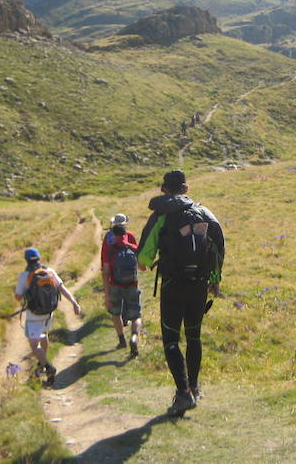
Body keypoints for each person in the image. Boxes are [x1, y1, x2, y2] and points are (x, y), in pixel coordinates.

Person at [137, 169, 225, 417]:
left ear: (164, 190)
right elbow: (219, 246)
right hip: (199, 285)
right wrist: (215, 280)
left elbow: (143, 259)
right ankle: (194, 387)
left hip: (173, 285)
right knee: (194, 336)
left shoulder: (161, 216)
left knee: (172, 340)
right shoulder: (204, 213)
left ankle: (183, 393)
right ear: (187, 189)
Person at [14, 247, 82, 386]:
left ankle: (48, 367)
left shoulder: (24, 275)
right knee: (43, 336)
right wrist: (74, 303)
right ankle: (41, 366)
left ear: (26, 260)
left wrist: (24, 294)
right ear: (39, 258)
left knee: (34, 344)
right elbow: (62, 288)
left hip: (33, 314)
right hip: (48, 312)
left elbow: (18, 297)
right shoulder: (49, 272)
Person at [100, 213, 143, 357]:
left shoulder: (108, 240)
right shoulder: (130, 237)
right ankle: (134, 338)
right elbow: (140, 263)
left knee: (115, 313)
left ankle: (121, 340)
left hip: (114, 283)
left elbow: (105, 270)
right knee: (136, 315)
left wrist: (106, 295)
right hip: (132, 283)